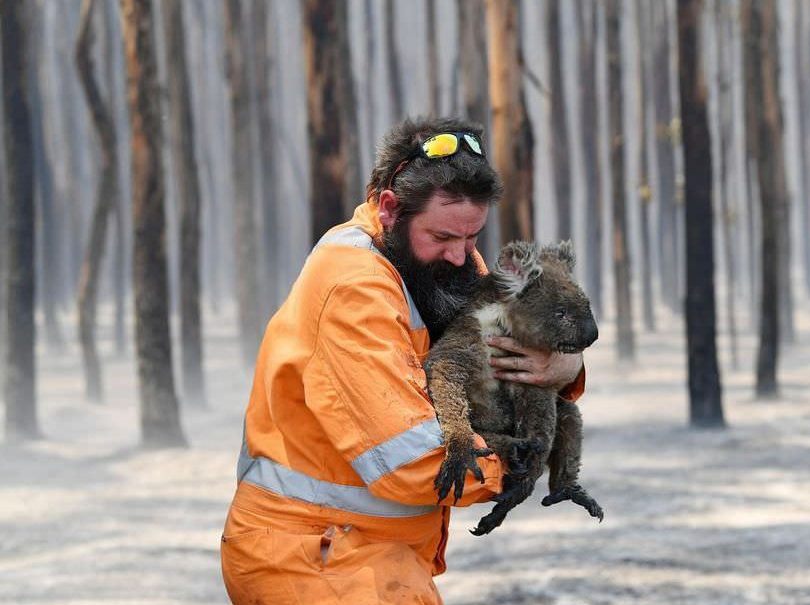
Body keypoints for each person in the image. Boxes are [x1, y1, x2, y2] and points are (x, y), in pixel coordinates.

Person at [220, 116, 586, 604]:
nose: (463, 257)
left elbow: (512, 346)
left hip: (368, 551)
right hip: (313, 557)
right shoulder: (353, 288)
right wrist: (522, 461)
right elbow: (412, 461)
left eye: (472, 238)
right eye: (443, 238)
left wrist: (568, 369)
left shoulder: (439, 264)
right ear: (390, 208)